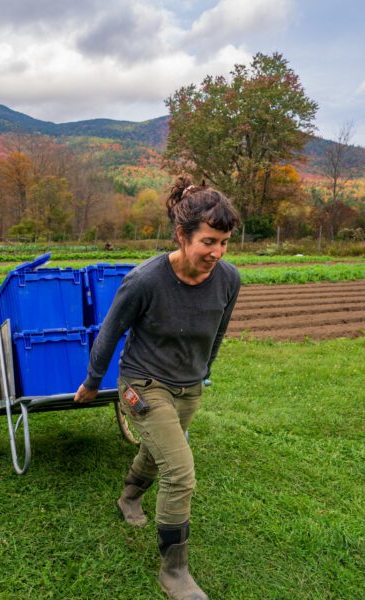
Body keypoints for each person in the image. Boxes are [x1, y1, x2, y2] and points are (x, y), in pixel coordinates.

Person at [74, 176, 241, 600]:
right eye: (208, 241)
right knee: (181, 472)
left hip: (189, 386)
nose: (216, 253)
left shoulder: (229, 279)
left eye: (224, 242)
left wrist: (204, 371)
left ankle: (129, 497)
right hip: (142, 383)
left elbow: (217, 332)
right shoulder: (145, 280)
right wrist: (93, 382)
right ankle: (174, 571)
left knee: (158, 450)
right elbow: (109, 334)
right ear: (182, 236)